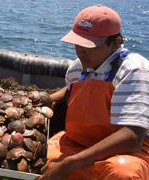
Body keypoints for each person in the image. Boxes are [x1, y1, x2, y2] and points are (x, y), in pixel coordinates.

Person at [39, 4, 149, 180]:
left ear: (116, 43)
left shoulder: (134, 69)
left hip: (124, 152)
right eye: (78, 43)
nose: (81, 51)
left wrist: (70, 164)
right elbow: (73, 89)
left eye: (90, 45)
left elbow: (132, 137)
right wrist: (43, 99)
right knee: (37, 156)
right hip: (76, 143)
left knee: (123, 173)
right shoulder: (78, 67)